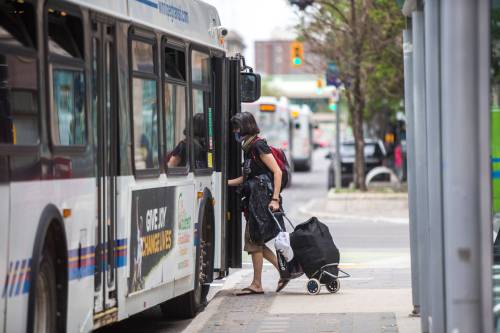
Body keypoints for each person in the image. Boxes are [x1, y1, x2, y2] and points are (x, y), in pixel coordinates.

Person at [228, 112, 289, 295]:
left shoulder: (258, 146)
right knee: (258, 242)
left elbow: (277, 172)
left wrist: (275, 199)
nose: (235, 132)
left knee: (254, 241)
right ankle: (284, 271)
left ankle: (257, 284)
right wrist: (226, 183)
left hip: (263, 202)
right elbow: (247, 177)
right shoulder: (248, 148)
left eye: (237, 128)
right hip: (256, 200)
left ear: (246, 127)